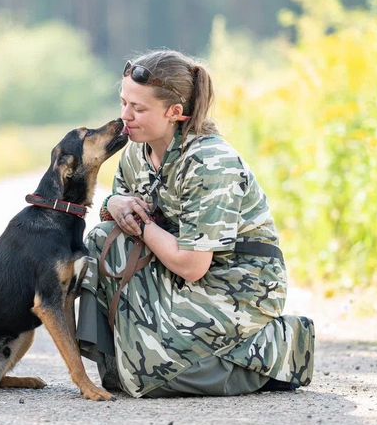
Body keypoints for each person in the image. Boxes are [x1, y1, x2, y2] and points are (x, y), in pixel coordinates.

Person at [75, 49, 315, 398]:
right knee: (102, 240)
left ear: (175, 112)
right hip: (170, 268)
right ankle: (131, 362)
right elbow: (116, 216)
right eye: (124, 102)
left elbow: (192, 264)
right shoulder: (135, 154)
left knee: (153, 375)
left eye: (138, 108)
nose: (125, 116)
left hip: (235, 283)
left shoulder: (210, 163)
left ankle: (274, 348)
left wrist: (141, 226)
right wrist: (114, 202)